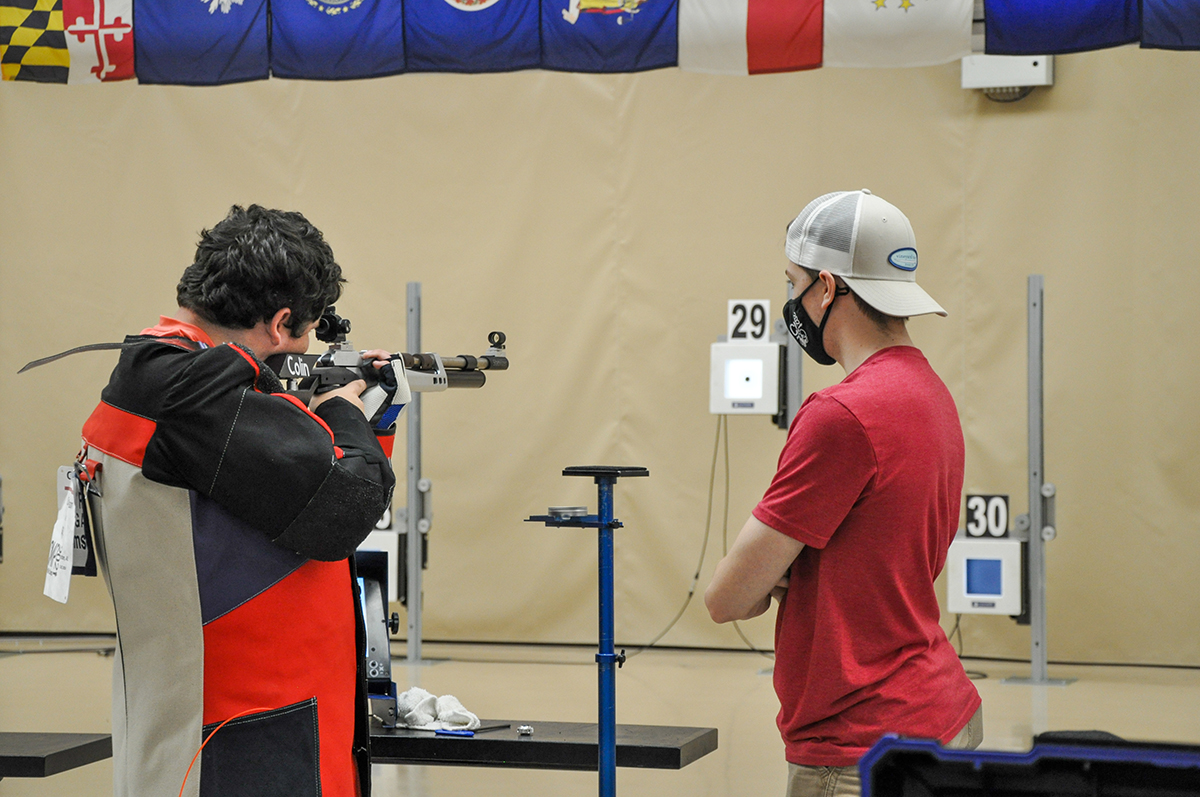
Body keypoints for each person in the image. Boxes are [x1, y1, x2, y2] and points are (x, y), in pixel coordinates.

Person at [78, 205, 396, 797]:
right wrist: (346, 413)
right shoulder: (202, 395)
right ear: (280, 323)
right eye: (303, 332)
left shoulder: (154, 371)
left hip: (188, 713)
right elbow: (344, 508)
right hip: (247, 734)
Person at [705, 190, 982, 797]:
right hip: (943, 713)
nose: (790, 302)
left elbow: (728, 598)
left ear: (827, 288)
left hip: (859, 748)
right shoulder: (931, 394)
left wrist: (778, 576)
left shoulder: (841, 415)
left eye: (793, 282)